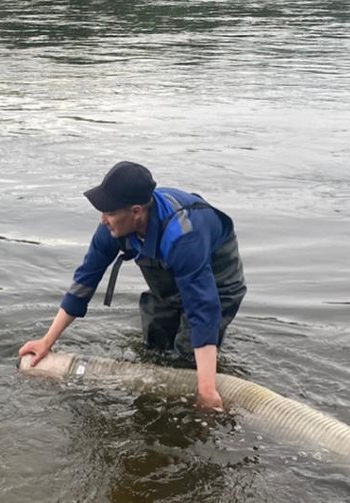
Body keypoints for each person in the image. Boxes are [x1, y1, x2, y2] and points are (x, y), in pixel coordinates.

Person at [18, 161, 247, 410]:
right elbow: (84, 283)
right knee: (155, 343)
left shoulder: (183, 236)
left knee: (185, 356)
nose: (103, 219)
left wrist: (207, 390)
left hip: (216, 275)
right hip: (170, 269)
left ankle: (197, 391)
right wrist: (46, 342)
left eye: (110, 212)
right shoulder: (114, 225)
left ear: (136, 211)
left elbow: (203, 311)